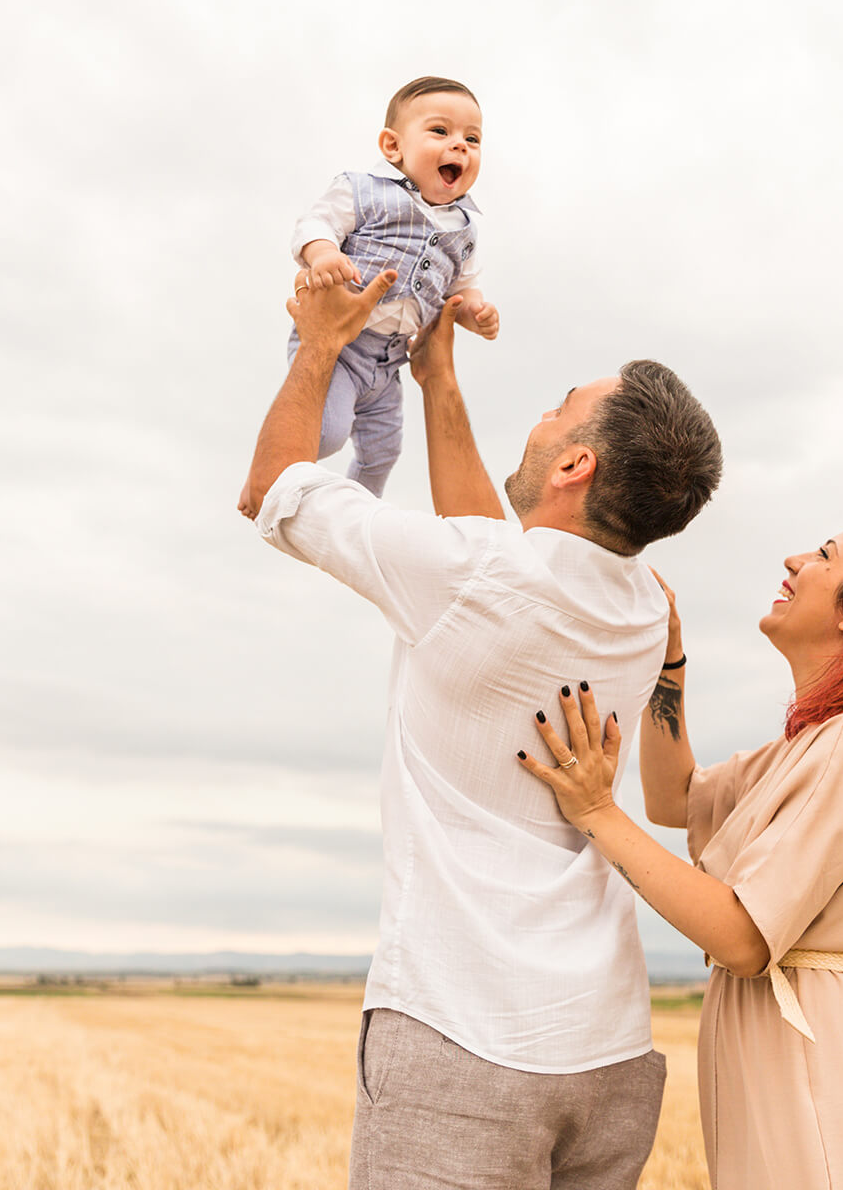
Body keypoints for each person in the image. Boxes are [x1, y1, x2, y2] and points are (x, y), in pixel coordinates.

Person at [239, 267, 722, 1190]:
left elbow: (271, 489)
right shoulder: (649, 614)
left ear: (577, 465)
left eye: (557, 412)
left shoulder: (474, 578)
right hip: (608, 1051)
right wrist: (437, 376)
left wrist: (320, 343)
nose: (541, 422)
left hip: (464, 1036)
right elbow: (501, 554)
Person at [519, 495, 843, 1190]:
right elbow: (674, 798)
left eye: (824, 556)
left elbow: (743, 936)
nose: (794, 561)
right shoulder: (813, 746)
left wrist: (596, 810)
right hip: (800, 1058)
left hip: (820, 1074)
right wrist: (668, 663)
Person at [278, 75, 500, 500]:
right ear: (393, 147)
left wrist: (476, 313)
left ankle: (358, 509)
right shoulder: (363, 191)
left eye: (472, 139)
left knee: (383, 451)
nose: (460, 146)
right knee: (327, 434)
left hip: (389, 364)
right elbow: (314, 224)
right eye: (441, 131)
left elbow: (463, 289)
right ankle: (280, 482)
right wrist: (324, 254)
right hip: (340, 346)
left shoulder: (466, 230)